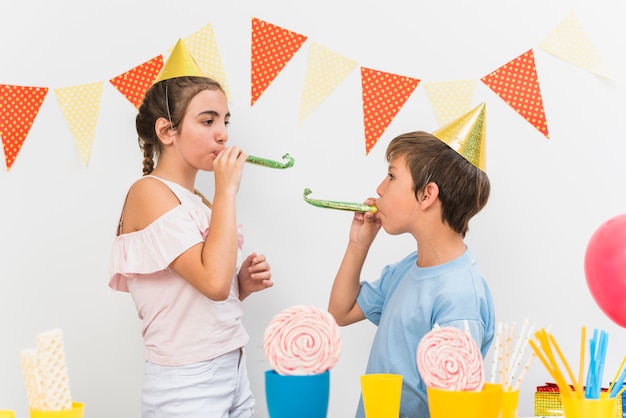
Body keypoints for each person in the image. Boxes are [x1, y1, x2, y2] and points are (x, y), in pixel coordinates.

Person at [108, 39, 273, 417]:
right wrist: (227, 189)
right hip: (187, 382)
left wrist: (239, 287)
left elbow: (203, 294)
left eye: (225, 121)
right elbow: (212, 284)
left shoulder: (196, 200)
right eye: (208, 120)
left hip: (230, 368)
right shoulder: (148, 192)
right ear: (167, 131)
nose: (223, 135)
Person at [327, 130, 495, 417]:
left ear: (427, 194)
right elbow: (339, 313)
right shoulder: (407, 268)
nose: (380, 188)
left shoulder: (460, 297)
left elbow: (456, 409)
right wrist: (358, 245)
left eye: (392, 176)